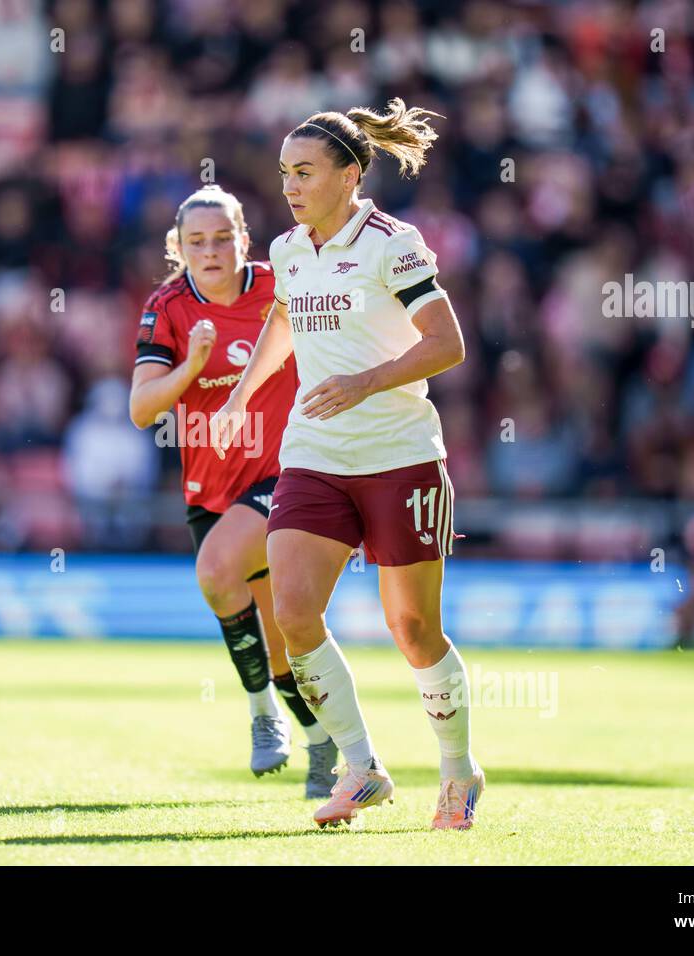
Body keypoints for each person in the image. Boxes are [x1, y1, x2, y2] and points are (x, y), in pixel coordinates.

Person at [210, 100, 482, 829]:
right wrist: (241, 394)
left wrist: (363, 382)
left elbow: (447, 343)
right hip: (314, 456)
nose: (291, 186)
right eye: (284, 173)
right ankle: (361, 769)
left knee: (414, 628)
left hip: (399, 457)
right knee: (295, 614)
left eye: (304, 172)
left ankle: (458, 773)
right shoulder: (291, 250)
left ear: (349, 174)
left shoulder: (394, 244)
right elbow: (286, 319)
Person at [129, 184, 337, 797]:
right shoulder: (168, 307)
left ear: (246, 238)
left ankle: (260, 715)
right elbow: (142, 409)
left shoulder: (284, 287)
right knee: (281, 648)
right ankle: (328, 743)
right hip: (211, 490)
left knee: (217, 570)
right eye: (197, 241)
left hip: (289, 474)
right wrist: (191, 368)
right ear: (179, 249)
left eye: (224, 237)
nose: (212, 251)